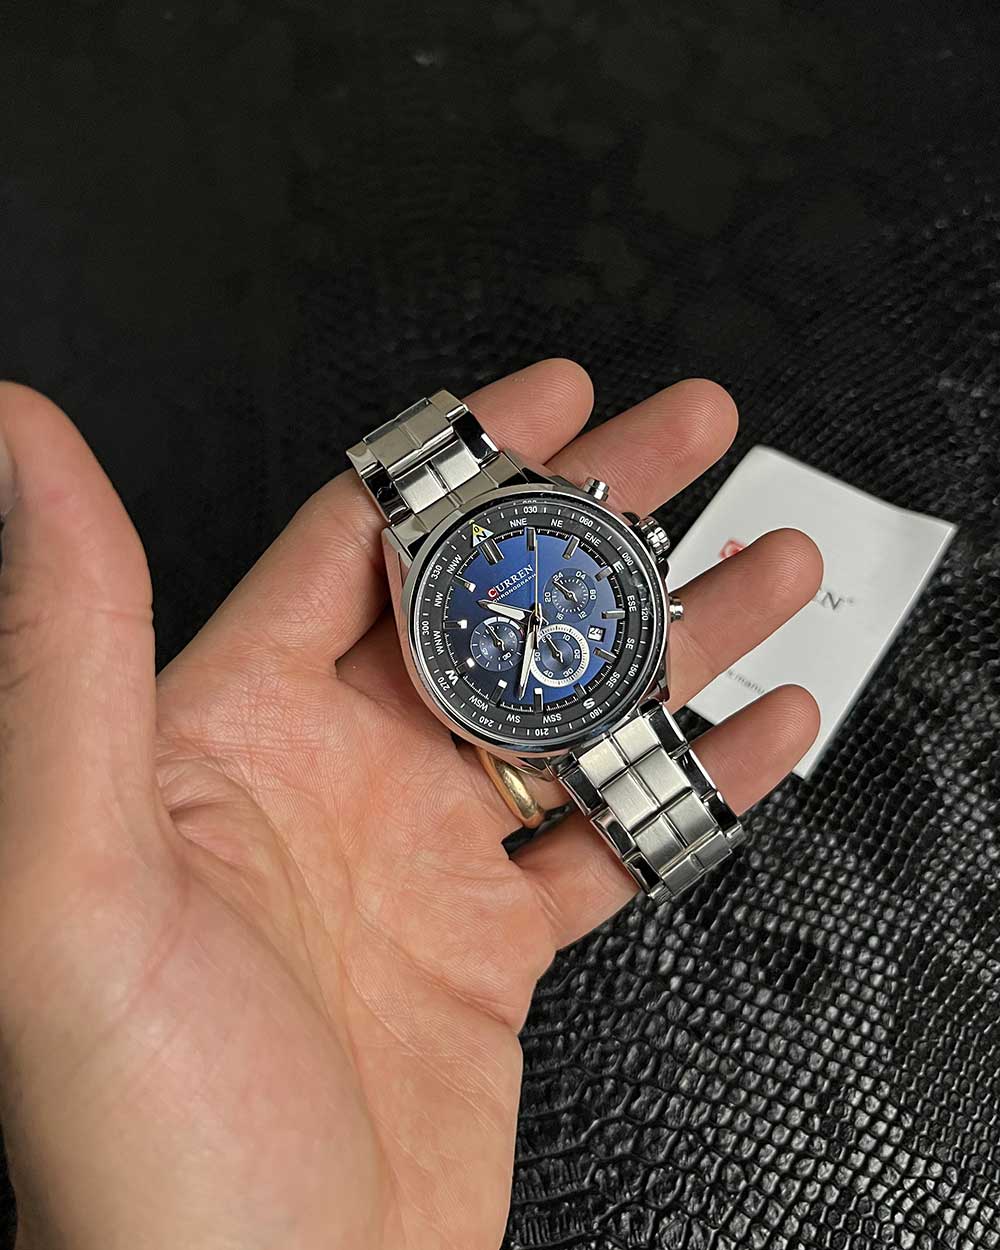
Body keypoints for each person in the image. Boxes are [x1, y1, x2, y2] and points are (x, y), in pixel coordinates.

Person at [0, 359, 821, 1249]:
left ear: (635, 561)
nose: (537, 626)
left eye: (548, 615)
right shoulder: (448, 638)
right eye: (522, 626)